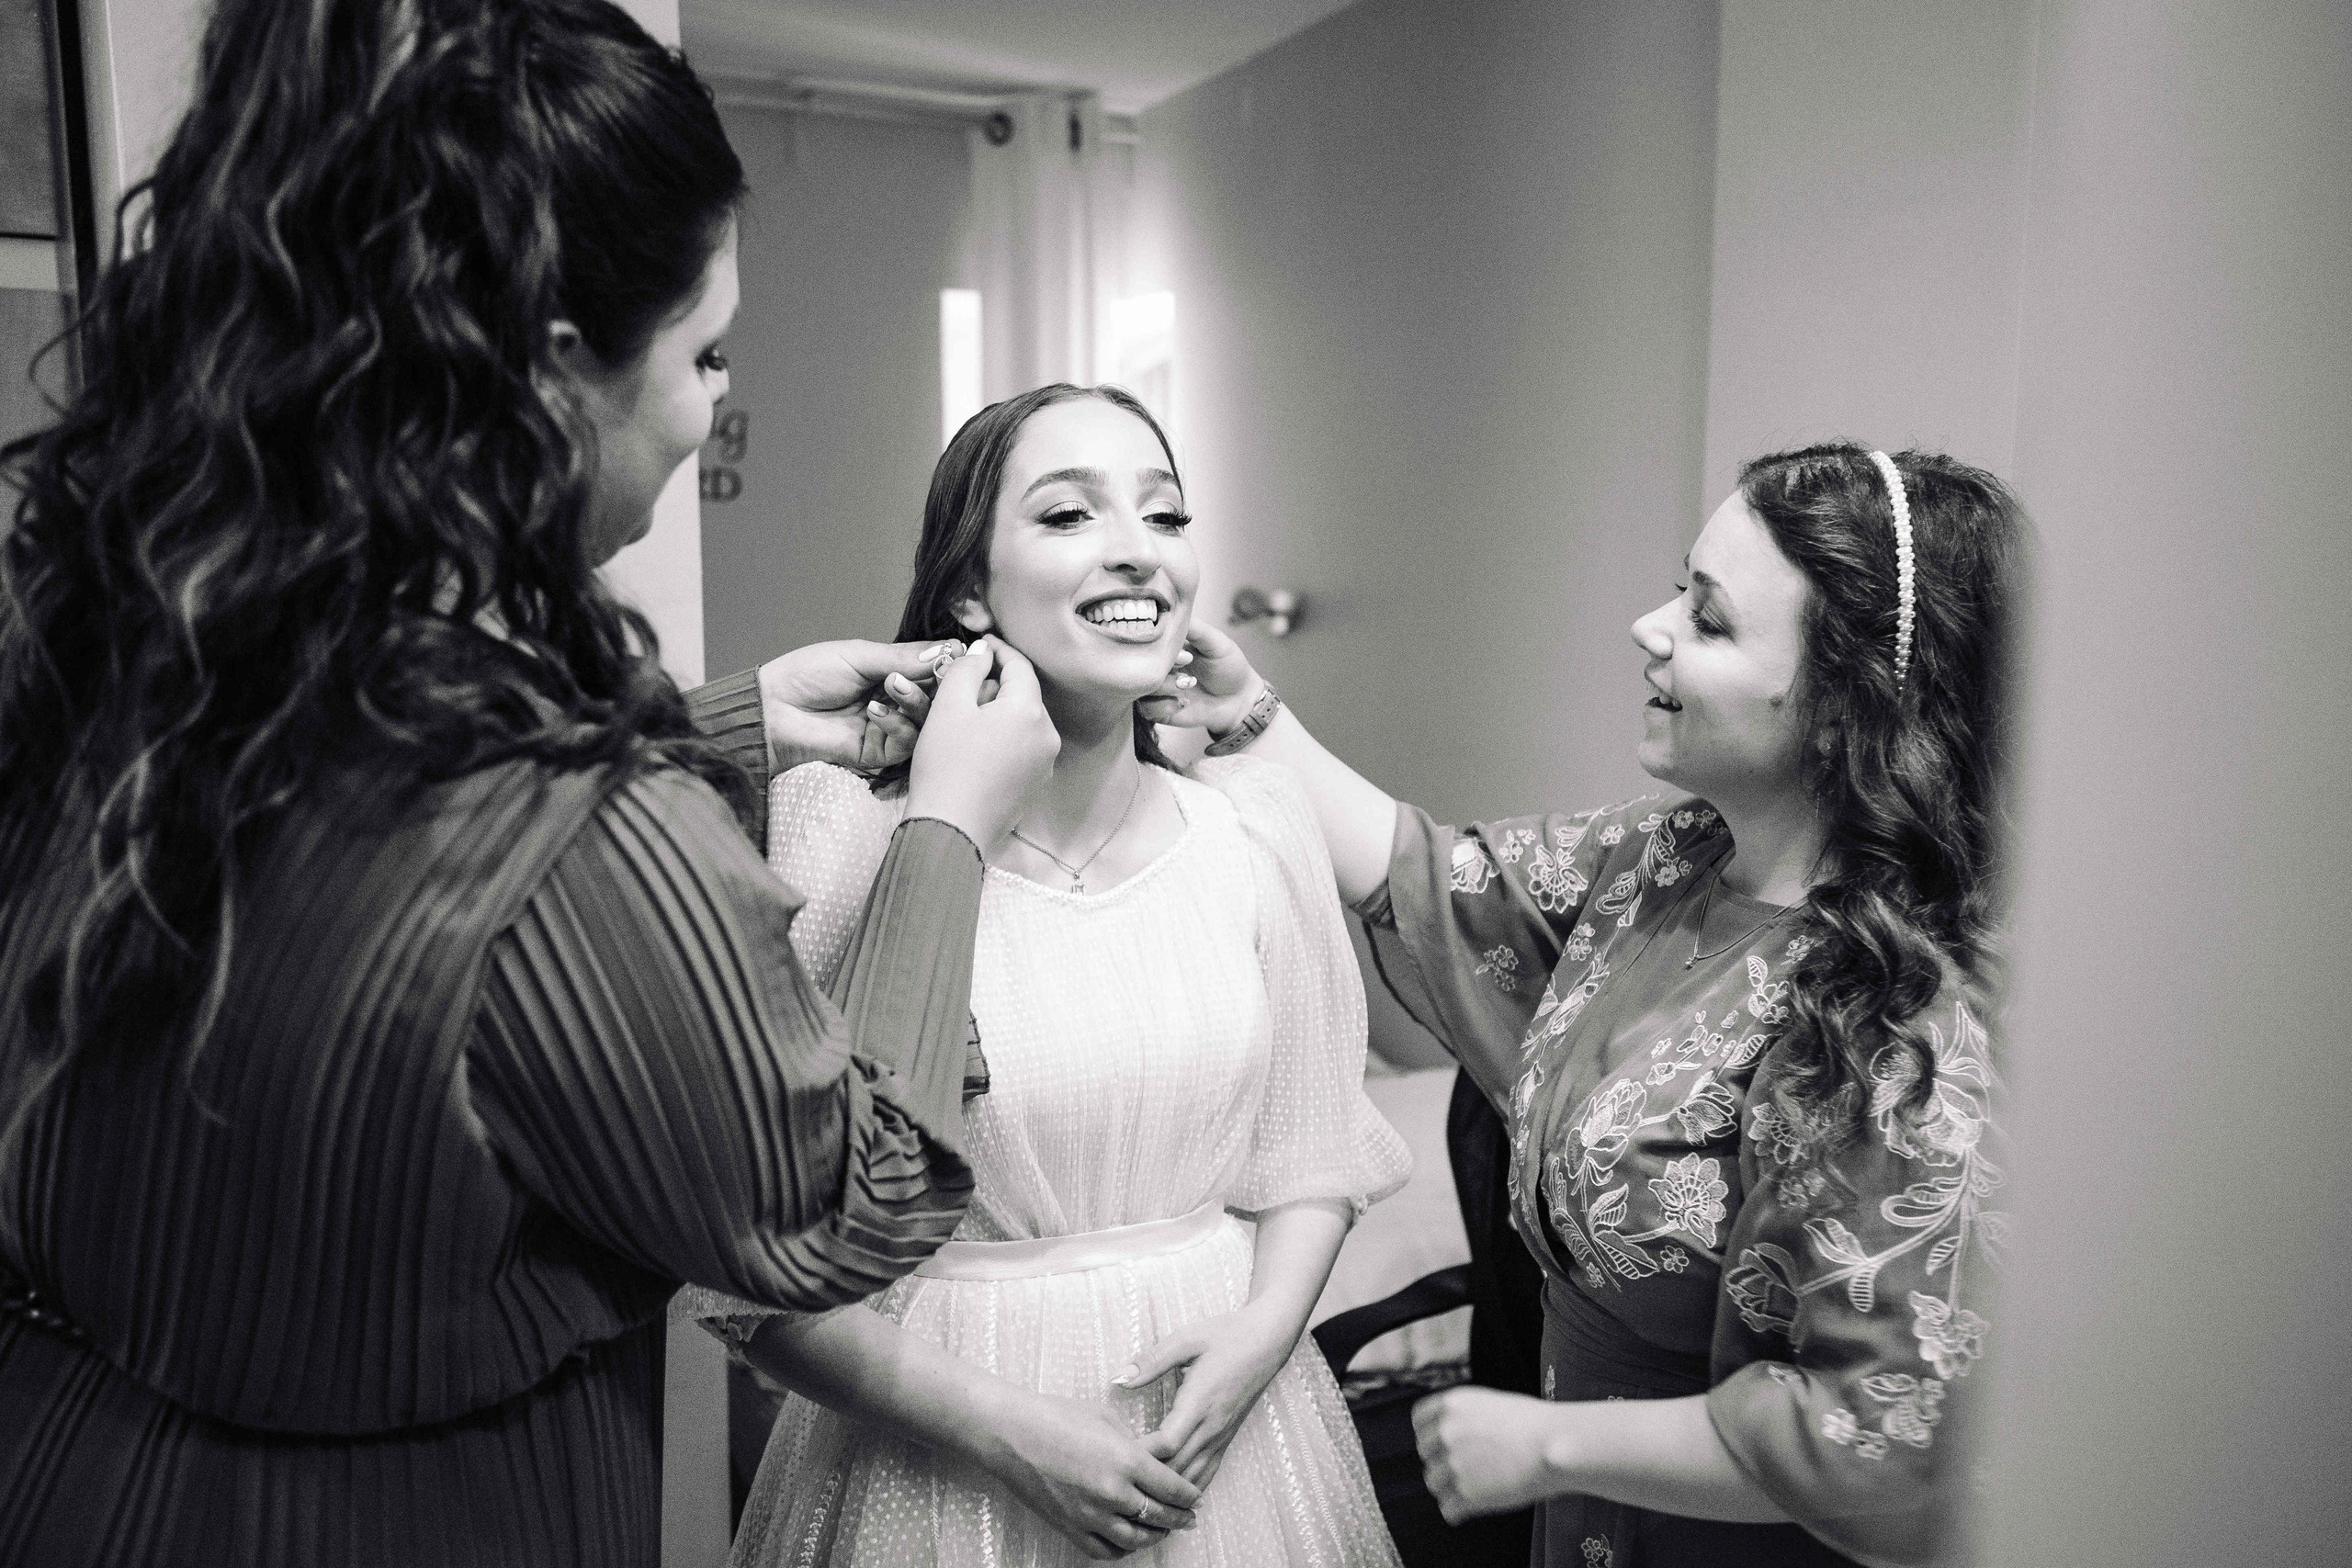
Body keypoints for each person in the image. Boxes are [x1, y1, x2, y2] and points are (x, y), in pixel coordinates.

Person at [0, 3, 1055, 1564]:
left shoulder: (143, 645)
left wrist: (732, 725)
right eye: (704, 354)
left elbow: (382, 896)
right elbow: (836, 1202)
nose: (708, 410)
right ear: (556, 367)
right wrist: (951, 829)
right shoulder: (584, 830)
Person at [1142, 445, 2019, 1567]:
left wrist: (1557, 1447)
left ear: (1847, 706)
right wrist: (1250, 716)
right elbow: (1425, 877)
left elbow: (1887, 1436)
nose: (1649, 627)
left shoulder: (1899, 1019)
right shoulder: (1663, 861)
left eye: (1706, 622)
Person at [681, 383, 1413, 1567]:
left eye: (1165, 517)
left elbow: (1312, 1148)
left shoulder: (1258, 828)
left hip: (1229, 1450)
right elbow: (751, 1269)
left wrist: (1262, 1339)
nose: (1138, 553)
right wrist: (1008, 1432)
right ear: (970, 587)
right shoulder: (843, 837)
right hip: (934, 1464)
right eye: (1068, 516)